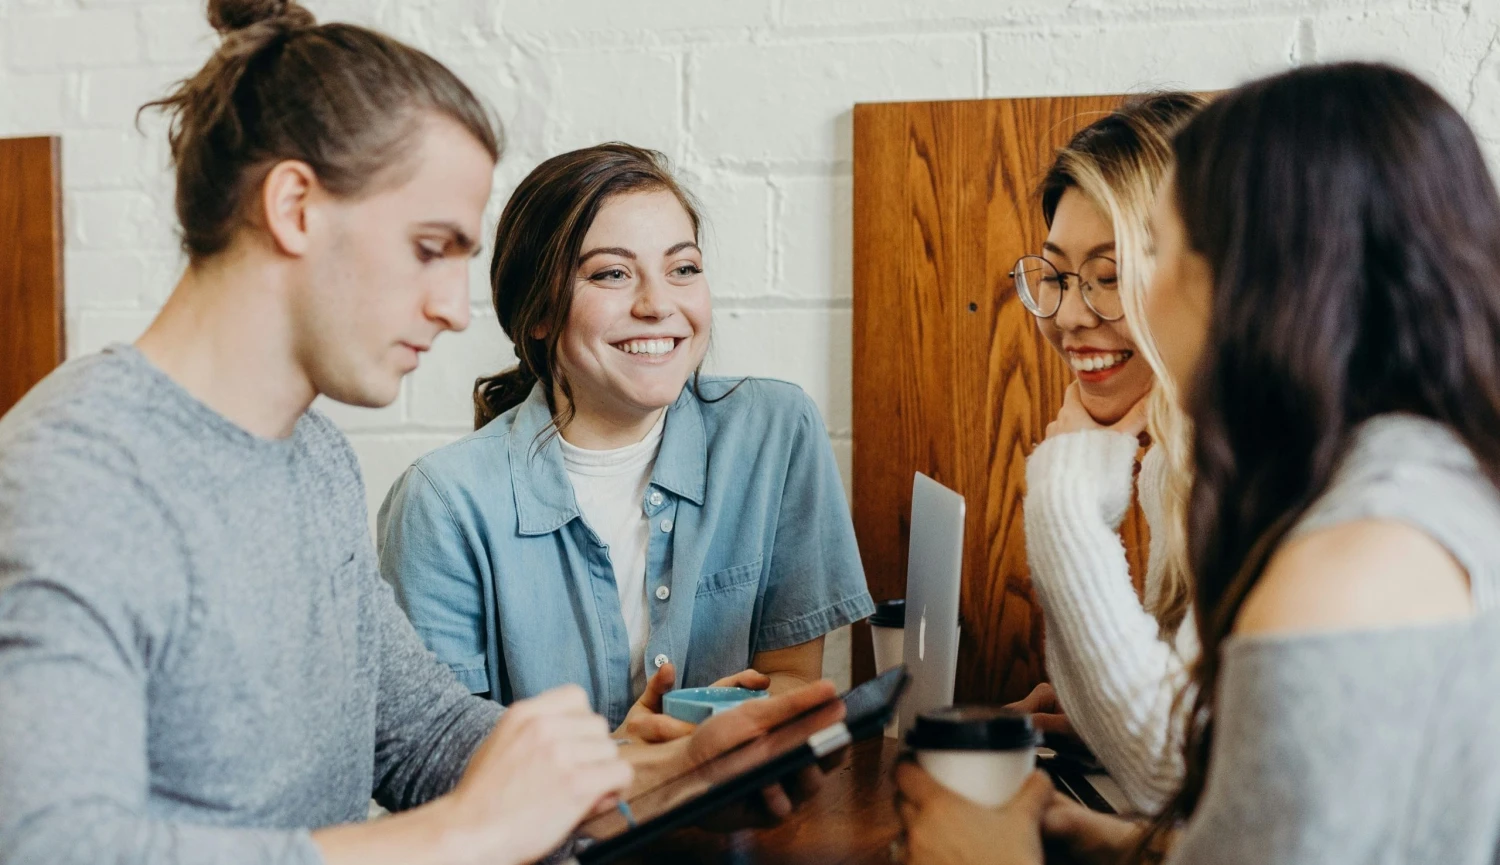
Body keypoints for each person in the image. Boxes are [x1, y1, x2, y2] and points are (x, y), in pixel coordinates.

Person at [0, 3, 838, 864]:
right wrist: (462, 833)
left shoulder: (312, 458)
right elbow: (50, 845)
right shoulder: (75, 476)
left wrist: (656, 775)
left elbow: (422, 736)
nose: (450, 307)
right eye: (428, 248)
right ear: (293, 206)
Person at [897, 61, 1500, 864]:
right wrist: (1113, 841)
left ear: (1264, 277)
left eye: (1153, 251)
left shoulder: (1345, 563)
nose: (1099, 306)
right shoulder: (1419, 481)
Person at [377, 143, 874, 738]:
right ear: (536, 312)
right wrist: (628, 762)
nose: (658, 304)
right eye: (612, 273)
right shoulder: (442, 503)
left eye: (683, 268)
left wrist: (723, 725)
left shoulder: (774, 431)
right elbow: (439, 760)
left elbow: (793, 677)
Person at [1007, 93, 1205, 814]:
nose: (1067, 314)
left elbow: (1171, 774)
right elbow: (1179, 745)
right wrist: (1094, 713)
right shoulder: (1174, 461)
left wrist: (1063, 496)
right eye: (1056, 276)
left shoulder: (1259, 464)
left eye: (1110, 274)